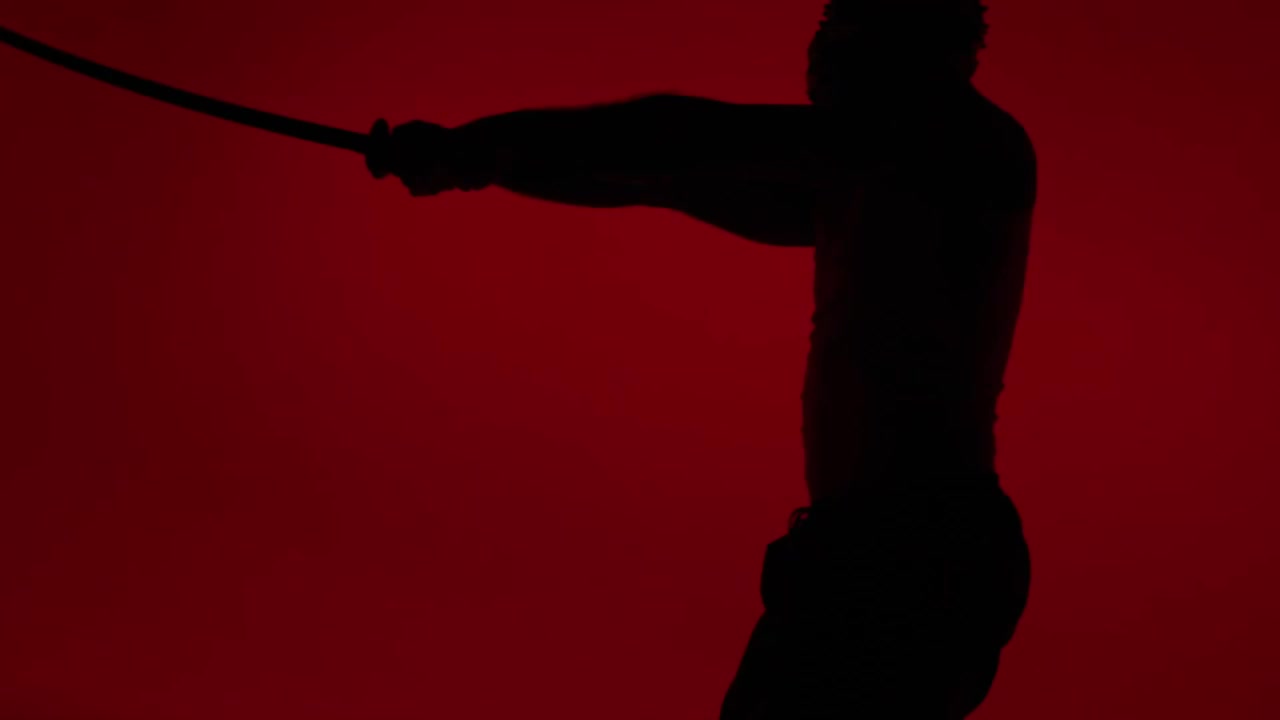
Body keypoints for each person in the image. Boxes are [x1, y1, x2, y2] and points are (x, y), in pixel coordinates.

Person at [369, 0, 1036, 717]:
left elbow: (678, 139)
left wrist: (473, 148)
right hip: (886, 547)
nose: (818, 53)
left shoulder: (945, 142)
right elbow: (660, 176)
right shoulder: (886, 178)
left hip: (908, 553)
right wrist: (475, 163)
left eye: (839, 26)